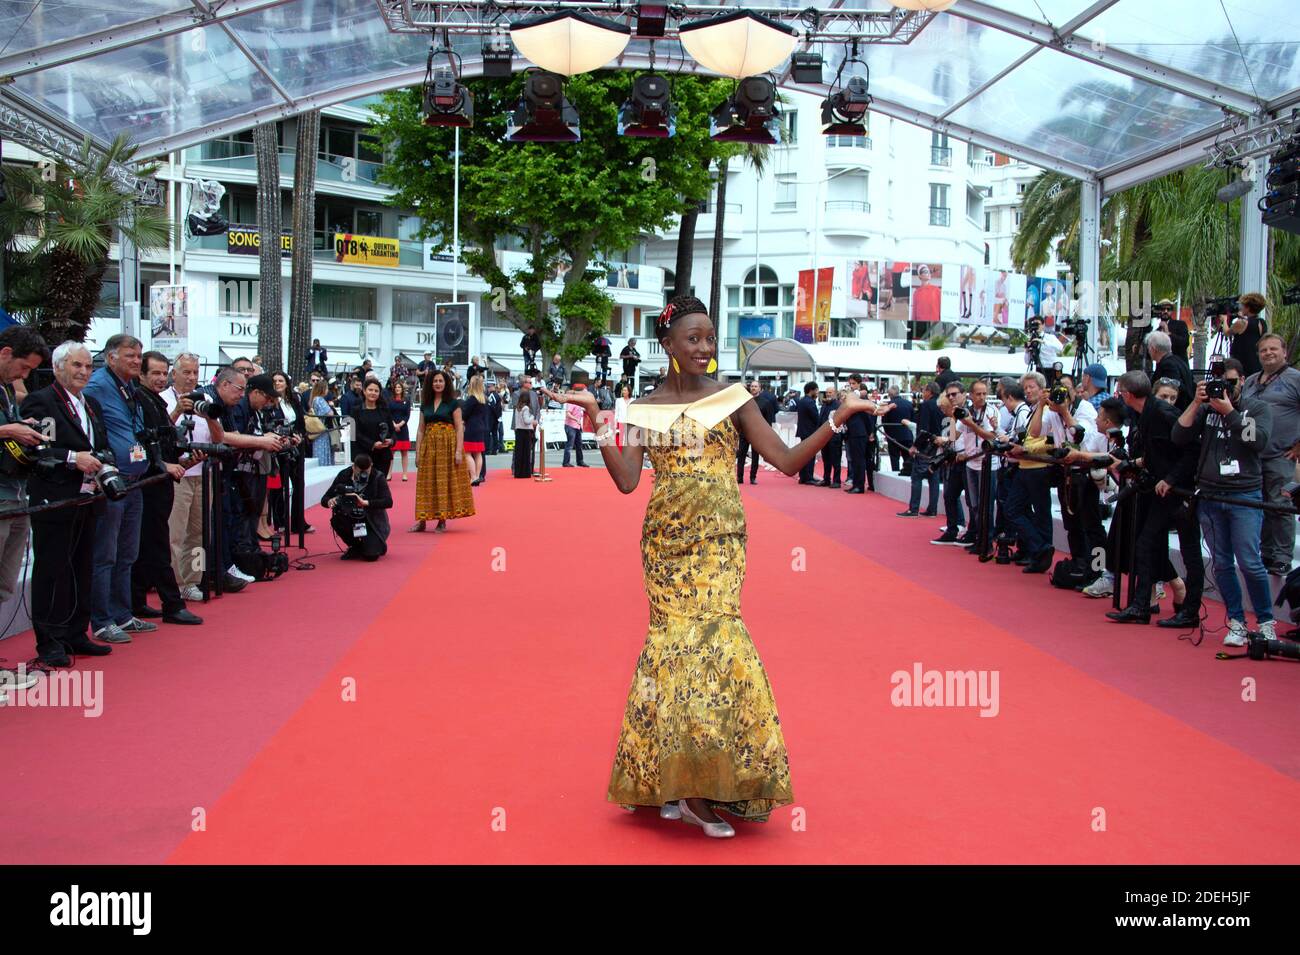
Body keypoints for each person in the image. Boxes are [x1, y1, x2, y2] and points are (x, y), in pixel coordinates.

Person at [549, 294, 877, 837]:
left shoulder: (733, 398)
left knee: (717, 647)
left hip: (720, 544)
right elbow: (628, 480)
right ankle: (679, 785)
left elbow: (787, 461)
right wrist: (598, 419)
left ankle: (700, 783)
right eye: (693, 339)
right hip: (665, 545)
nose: (704, 348)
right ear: (668, 345)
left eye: (709, 339)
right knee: (672, 653)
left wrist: (837, 420)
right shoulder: (646, 407)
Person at [23, 343, 114, 665]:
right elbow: (35, 450)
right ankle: (49, 641)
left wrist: (103, 464)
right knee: (52, 571)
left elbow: (100, 444)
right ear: (58, 366)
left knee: (81, 568)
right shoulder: (42, 401)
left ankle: (76, 633)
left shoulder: (90, 404)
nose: (84, 372)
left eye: (88, 367)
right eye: (77, 365)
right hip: (54, 498)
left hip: (87, 498)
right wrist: (73, 458)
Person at [1173, 360, 1275, 644]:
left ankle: (1266, 621)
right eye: (1219, 383)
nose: (1224, 389)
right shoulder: (1206, 409)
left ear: (1242, 380)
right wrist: (1196, 402)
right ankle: (1237, 622)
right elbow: (1178, 436)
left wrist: (1229, 412)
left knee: (1250, 562)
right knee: (1221, 563)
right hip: (1210, 494)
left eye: (1230, 383)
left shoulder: (1257, 408)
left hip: (1244, 494)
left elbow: (1258, 441)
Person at [1105, 371, 1204, 627]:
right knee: (1146, 544)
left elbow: (1192, 450)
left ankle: (1189, 611)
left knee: (1190, 551)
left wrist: (1171, 479)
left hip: (1180, 492)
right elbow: (1157, 451)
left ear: (1126, 394)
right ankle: (1141, 606)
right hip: (1162, 490)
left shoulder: (1163, 413)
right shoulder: (1144, 413)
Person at [82, 334, 154, 645]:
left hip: (135, 481)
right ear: (111, 357)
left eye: (139, 356)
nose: (137, 361)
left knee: (128, 553)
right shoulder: (98, 386)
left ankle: (122, 613)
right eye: (130, 356)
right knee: (106, 554)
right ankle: (101, 620)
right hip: (112, 482)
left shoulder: (130, 387)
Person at [129, 351, 204, 626]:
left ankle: (192, 581)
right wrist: (164, 464)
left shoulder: (192, 399)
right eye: (156, 374)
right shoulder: (145, 400)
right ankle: (172, 601)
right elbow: (145, 440)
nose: (192, 377)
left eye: (195, 372)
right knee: (166, 540)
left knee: (196, 535)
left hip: (185, 471)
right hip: (160, 478)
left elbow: (162, 439)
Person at [208, 370, 287, 582]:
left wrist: (266, 439)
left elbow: (232, 436)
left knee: (242, 517)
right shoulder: (223, 404)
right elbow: (226, 437)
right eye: (239, 389)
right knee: (230, 520)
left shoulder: (243, 408)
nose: (269, 403)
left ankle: (239, 561)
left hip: (240, 472)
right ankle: (227, 566)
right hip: (227, 472)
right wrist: (260, 441)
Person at [1242, 334, 1300, 575]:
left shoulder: (1295, 379)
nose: (1268, 353)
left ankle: (1282, 557)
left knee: (1280, 504)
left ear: (1284, 352)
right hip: (1252, 455)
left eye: (1273, 349)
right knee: (1260, 505)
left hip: (1280, 454)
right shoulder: (1252, 381)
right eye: (1263, 350)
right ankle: (1265, 553)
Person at [412, 370, 475, 532]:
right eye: (435, 381)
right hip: (429, 445)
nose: (438, 383)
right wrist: (418, 452)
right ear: (430, 384)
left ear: (446, 383)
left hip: (447, 446)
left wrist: (459, 451)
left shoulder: (452, 403)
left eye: (440, 381)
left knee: (443, 482)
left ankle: (442, 519)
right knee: (425, 483)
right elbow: (420, 430)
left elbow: (459, 427)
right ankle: (422, 520)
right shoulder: (425, 404)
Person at [322, 452, 392, 561]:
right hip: (350, 518)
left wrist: (366, 503)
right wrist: (331, 501)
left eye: (366, 472)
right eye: (360, 472)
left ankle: (376, 544)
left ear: (371, 465)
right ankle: (355, 546)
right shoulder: (344, 475)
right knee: (336, 520)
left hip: (372, 521)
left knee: (371, 556)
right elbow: (325, 499)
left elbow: (388, 502)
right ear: (353, 467)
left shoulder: (378, 476)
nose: (363, 475)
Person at [899, 382, 943, 517]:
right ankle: (932, 509)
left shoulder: (926, 405)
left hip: (926, 446)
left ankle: (914, 508)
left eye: (924, 391)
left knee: (917, 477)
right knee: (933, 477)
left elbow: (923, 429)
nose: (923, 394)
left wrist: (915, 446)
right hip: (940, 444)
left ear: (929, 391)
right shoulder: (942, 405)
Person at [1221, 292, 1267, 378]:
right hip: (1256, 362)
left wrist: (1224, 320)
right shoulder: (1261, 322)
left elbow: (1226, 332)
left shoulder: (1242, 323)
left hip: (1242, 362)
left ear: (1248, 308)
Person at [1146, 330, 1194, 409]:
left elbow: (1173, 389)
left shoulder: (1168, 365)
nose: (1148, 350)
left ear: (1153, 349)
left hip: (1175, 413)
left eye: (1149, 347)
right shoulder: (1179, 360)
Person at [460, 374, 489, 485]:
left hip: (471, 427)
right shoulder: (483, 399)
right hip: (480, 427)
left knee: (467, 453)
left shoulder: (471, 399)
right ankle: (477, 475)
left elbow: (465, 414)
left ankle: (473, 476)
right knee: (478, 453)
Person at [735, 380, 764, 484]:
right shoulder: (743, 401)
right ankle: (739, 477)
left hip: (757, 434)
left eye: (756, 386)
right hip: (744, 433)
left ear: (760, 388)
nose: (753, 388)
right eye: (752, 386)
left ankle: (753, 477)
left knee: (755, 457)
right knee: (741, 455)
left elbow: (767, 420)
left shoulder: (764, 402)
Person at [881, 384, 914, 474]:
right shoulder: (909, 404)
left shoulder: (888, 406)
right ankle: (908, 473)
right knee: (907, 457)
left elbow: (884, 422)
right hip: (907, 435)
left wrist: (887, 434)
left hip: (893, 436)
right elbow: (913, 420)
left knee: (894, 458)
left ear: (889, 394)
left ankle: (895, 474)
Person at [511, 379, 540, 478]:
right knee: (522, 450)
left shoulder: (534, 394)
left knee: (527, 449)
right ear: (524, 384)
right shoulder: (516, 394)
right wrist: (532, 419)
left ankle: (529, 468)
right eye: (530, 382)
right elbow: (526, 419)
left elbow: (537, 409)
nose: (531, 384)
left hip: (527, 426)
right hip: (524, 427)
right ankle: (517, 468)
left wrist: (536, 420)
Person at [795, 382, 822, 484]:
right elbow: (816, 417)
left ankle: (804, 476)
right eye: (816, 391)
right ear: (812, 390)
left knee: (803, 455)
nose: (817, 393)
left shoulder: (802, 401)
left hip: (803, 431)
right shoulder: (810, 402)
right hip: (810, 432)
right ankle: (808, 477)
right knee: (810, 456)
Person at [388, 380, 414, 482]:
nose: (397, 389)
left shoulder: (406, 401)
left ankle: (405, 473)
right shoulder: (390, 401)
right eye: (396, 387)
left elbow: (407, 415)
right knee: (391, 453)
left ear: (402, 389)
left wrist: (400, 424)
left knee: (404, 453)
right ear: (394, 389)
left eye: (399, 387)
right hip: (393, 428)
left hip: (403, 429)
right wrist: (394, 424)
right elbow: (388, 414)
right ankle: (389, 473)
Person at [817, 387, 842, 488]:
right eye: (827, 392)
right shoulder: (824, 405)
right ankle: (826, 479)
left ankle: (837, 481)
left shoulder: (838, 405)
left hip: (834, 436)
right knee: (826, 459)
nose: (828, 394)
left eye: (830, 392)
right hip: (824, 437)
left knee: (836, 460)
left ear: (835, 393)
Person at [559, 382, 588, 468]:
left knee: (579, 444)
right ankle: (566, 462)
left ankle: (580, 461)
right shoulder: (572, 402)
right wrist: (576, 419)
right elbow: (568, 414)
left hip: (576, 426)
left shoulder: (578, 402)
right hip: (571, 425)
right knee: (570, 445)